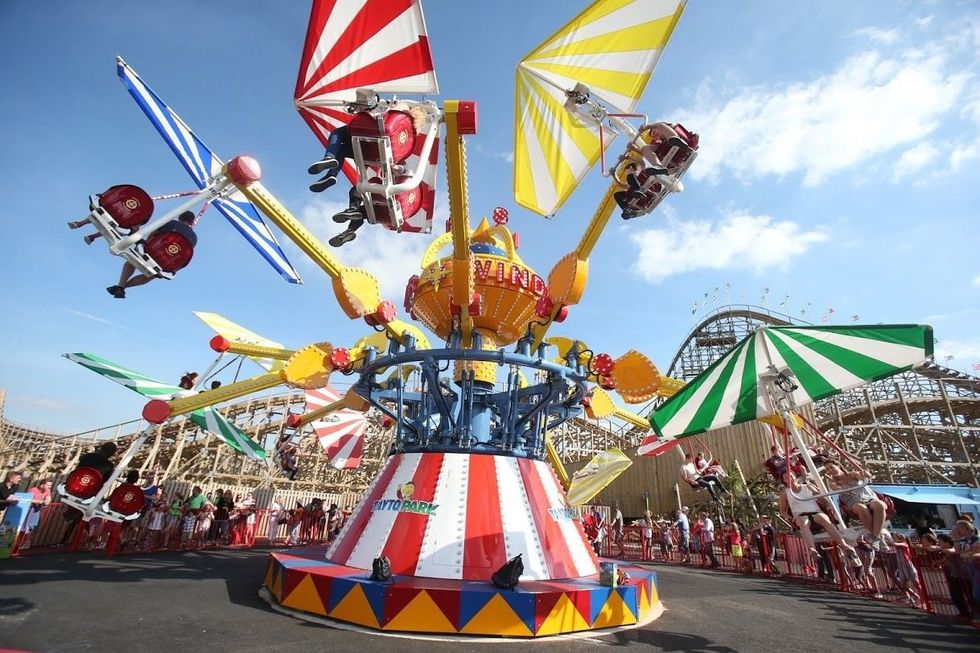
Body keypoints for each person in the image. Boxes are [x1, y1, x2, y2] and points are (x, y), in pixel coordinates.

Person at [106, 211, 197, 299]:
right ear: (192, 222)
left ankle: (121, 286)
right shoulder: (194, 238)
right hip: (165, 262)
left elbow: (153, 234)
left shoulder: (170, 222)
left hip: (153, 250)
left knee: (132, 261)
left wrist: (146, 246)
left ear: (179, 218)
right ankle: (122, 287)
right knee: (151, 275)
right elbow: (183, 255)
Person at [778, 473, 861, 568]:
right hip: (800, 514)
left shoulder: (807, 486)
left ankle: (844, 545)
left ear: (794, 476)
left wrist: (826, 503)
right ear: (784, 480)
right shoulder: (785, 493)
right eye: (786, 477)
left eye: (790, 475)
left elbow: (821, 498)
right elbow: (782, 510)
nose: (789, 478)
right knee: (804, 523)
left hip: (815, 511)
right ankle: (812, 549)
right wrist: (788, 517)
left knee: (824, 519)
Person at [825, 463, 888, 546]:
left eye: (831, 467)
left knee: (878, 505)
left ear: (838, 466)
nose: (830, 470)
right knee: (861, 508)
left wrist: (865, 475)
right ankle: (877, 538)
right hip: (852, 502)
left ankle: (875, 536)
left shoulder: (852, 474)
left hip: (867, 497)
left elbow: (861, 477)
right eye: (828, 469)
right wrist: (842, 489)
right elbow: (835, 488)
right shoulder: (832, 481)